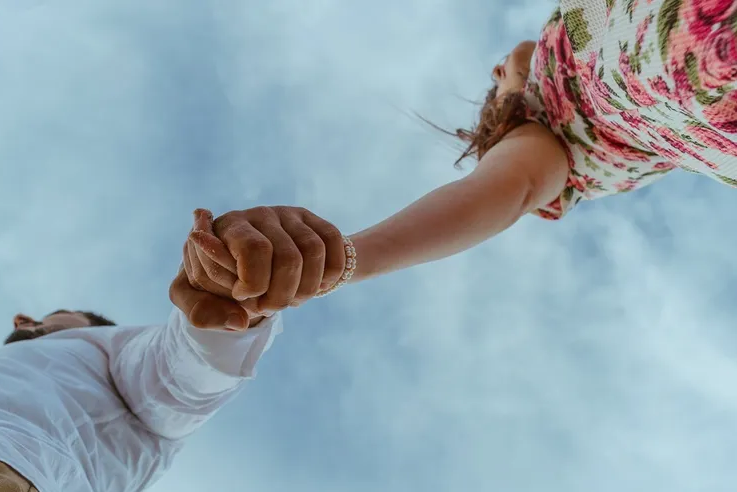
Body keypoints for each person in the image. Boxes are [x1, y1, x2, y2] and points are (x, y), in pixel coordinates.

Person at [187, 1, 737, 292]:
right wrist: (346, 258)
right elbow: (502, 191)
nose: (497, 69)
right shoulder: (553, 133)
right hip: (701, 51)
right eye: (494, 87)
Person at [0, 206, 348, 492]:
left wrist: (229, 304)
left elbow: (181, 374)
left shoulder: (109, 351)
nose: (24, 318)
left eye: (56, 314)